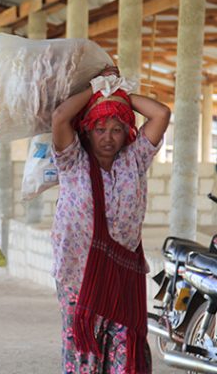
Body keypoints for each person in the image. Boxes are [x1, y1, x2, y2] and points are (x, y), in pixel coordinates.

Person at [50, 66, 171, 373]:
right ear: (87, 130)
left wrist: (117, 93)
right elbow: (60, 117)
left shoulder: (135, 159)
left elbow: (161, 114)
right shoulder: (72, 161)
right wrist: (96, 89)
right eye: (100, 128)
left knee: (124, 351)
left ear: (127, 131)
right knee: (85, 355)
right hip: (79, 276)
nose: (108, 137)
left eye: (116, 129)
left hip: (121, 276)